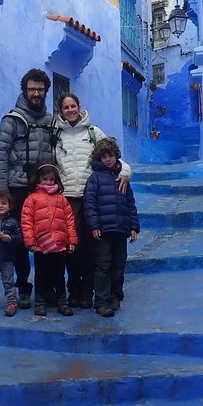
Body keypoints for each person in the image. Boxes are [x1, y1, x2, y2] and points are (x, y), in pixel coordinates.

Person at [54, 93, 132, 309]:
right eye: (66, 107)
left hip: (92, 197)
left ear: (79, 107)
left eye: (73, 106)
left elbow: (115, 157)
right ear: (60, 111)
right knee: (72, 248)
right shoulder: (56, 135)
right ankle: (74, 291)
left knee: (91, 248)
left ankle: (88, 292)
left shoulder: (93, 132)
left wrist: (124, 173)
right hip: (68, 198)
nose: (70, 110)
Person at [0, 68, 58, 308]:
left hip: (43, 189)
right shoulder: (12, 120)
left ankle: (47, 288)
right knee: (19, 241)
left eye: (40, 89)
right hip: (18, 187)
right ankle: (23, 288)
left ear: (46, 91)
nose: (36, 93)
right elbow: (1, 155)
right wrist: (3, 192)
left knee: (47, 239)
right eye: (32, 89)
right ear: (24, 90)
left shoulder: (52, 121)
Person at [83, 137, 140, 318]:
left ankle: (116, 295)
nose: (108, 159)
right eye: (104, 156)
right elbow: (89, 204)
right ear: (99, 159)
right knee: (102, 265)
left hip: (121, 229)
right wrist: (94, 225)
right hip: (103, 231)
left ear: (117, 156)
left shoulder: (122, 179)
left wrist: (133, 226)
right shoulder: (94, 179)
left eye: (111, 155)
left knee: (119, 263)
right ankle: (101, 301)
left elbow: (130, 203)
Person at [20, 164, 77, 317]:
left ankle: (62, 301)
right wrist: (30, 242)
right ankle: (40, 302)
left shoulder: (61, 199)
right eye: (45, 179)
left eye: (52, 179)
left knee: (59, 275)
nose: (49, 182)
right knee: (41, 275)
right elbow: (26, 222)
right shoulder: (31, 199)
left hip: (59, 246)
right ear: (39, 179)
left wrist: (71, 241)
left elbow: (69, 221)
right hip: (41, 246)